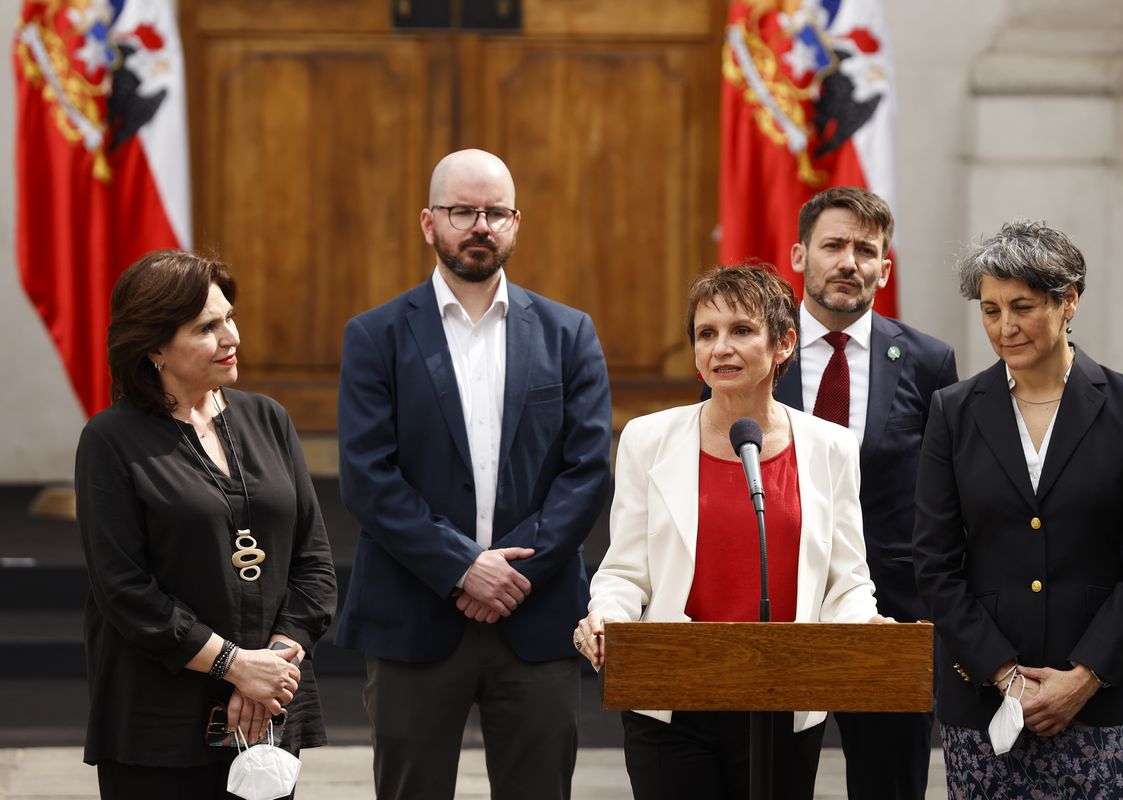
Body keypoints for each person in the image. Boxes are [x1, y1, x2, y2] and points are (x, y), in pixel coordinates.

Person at [336, 148, 612, 800]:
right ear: (429, 223)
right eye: (463, 211)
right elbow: (368, 477)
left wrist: (513, 573)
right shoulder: (375, 336)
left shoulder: (570, 334)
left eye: (495, 212)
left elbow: (587, 470)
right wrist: (463, 566)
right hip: (414, 612)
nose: (480, 226)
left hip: (536, 614)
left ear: (517, 224)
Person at [575, 263, 884, 800]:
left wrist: (869, 627)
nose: (720, 348)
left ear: (784, 343)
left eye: (741, 330)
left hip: (785, 698)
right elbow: (625, 571)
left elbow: (847, 582)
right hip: (671, 701)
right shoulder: (648, 439)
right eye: (705, 334)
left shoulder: (831, 447)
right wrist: (607, 616)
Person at [913, 220, 1123, 797]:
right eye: (990, 310)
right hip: (986, 702)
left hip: (1107, 702)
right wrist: (1007, 677)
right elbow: (934, 562)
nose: (1004, 328)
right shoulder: (952, 411)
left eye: (1022, 307)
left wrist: (1084, 677)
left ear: (1069, 300)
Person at [75, 250, 339, 799]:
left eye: (229, 317)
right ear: (153, 348)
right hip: (160, 720)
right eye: (206, 327)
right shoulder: (110, 441)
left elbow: (313, 565)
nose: (230, 337)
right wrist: (234, 665)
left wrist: (270, 667)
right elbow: (123, 590)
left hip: (268, 711)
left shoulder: (269, 418)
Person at [782, 186, 957, 799]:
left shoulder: (930, 362)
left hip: (892, 616)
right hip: (778, 612)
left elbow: (946, 498)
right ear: (800, 256)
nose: (848, 262)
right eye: (833, 245)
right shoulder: (750, 351)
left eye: (865, 249)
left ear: (885, 267)